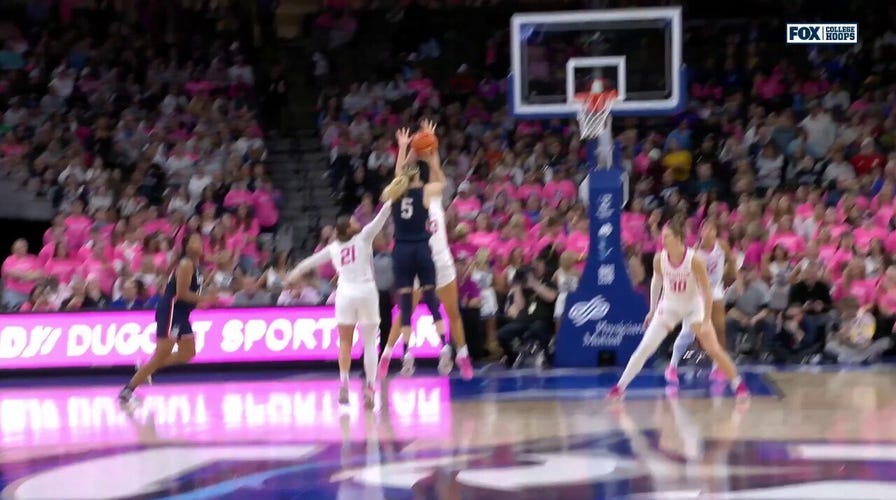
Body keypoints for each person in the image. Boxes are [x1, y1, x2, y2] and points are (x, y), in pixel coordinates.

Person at [285, 180, 403, 408]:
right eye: (352, 221)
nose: (356, 221)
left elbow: (309, 261)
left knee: (345, 343)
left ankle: (344, 385)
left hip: (345, 293)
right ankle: (369, 388)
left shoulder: (333, 247)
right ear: (349, 229)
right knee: (370, 343)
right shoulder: (364, 237)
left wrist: (293, 274)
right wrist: (394, 192)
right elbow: (383, 214)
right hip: (367, 291)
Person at [608, 215, 749, 400]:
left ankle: (739, 385)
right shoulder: (659, 259)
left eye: (666, 236)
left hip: (693, 306)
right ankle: (620, 387)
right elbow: (656, 282)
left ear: (678, 238)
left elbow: (706, 291)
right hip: (670, 306)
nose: (662, 239)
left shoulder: (695, 260)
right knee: (645, 348)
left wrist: (706, 320)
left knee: (713, 348)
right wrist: (652, 309)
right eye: (663, 236)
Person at [382, 120, 474, 380]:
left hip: (436, 260)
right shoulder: (424, 194)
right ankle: (388, 356)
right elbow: (410, 176)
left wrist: (416, 147)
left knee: (449, 312)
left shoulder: (428, 196)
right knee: (406, 312)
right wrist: (427, 148)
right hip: (424, 258)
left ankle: (463, 356)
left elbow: (404, 175)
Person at [377, 125, 449, 379]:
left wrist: (405, 146)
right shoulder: (426, 192)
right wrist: (432, 152)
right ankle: (445, 346)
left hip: (401, 250)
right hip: (421, 247)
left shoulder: (396, 191)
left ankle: (407, 354)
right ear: (419, 175)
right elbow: (441, 181)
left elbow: (400, 172)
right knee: (431, 299)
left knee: (406, 303)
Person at [119, 233, 214, 405]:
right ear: (186, 246)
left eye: (200, 241)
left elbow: (192, 295)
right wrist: (206, 299)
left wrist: (202, 299)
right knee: (162, 353)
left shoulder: (197, 267)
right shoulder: (185, 264)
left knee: (188, 353)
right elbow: (182, 294)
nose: (198, 244)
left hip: (181, 313)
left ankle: (147, 368)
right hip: (171, 311)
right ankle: (128, 389)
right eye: (193, 241)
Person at [666, 219, 736, 384]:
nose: (708, 232)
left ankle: (717, 368)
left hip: (715, 290)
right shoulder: (694, 252)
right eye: (705, 229)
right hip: (697, 292)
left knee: (720, 329)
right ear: (701, 233)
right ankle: (672, 366)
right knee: (688, 333)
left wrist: (730, 276)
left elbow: (731, 263)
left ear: (715, 233)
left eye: (712, 229)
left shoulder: (722, 246)